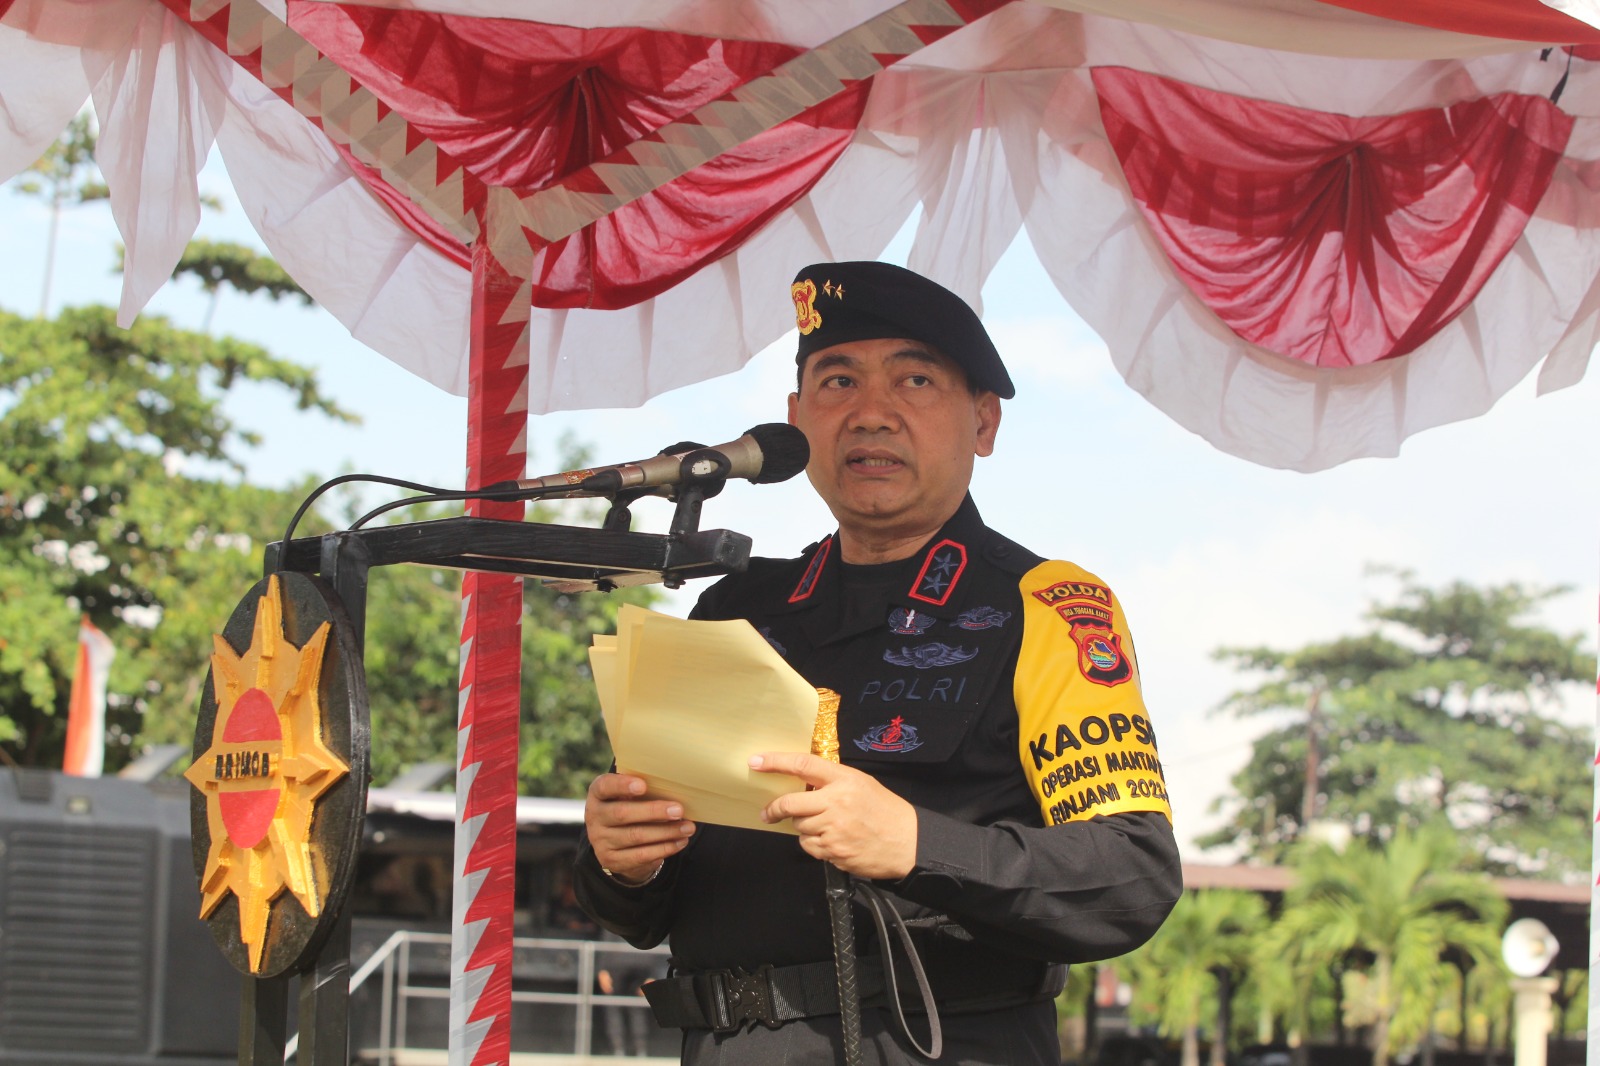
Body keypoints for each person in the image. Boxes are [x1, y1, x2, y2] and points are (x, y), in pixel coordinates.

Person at [574, 261, 1182, 1065]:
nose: (870, 414)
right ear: (796, 421)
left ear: (984, 422)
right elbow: (640, 909)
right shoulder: (732, 609)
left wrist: (917, 844)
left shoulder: (1045, 604)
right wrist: (626, 863)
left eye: (915, 380)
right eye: (838, 382)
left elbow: (1132, 874)